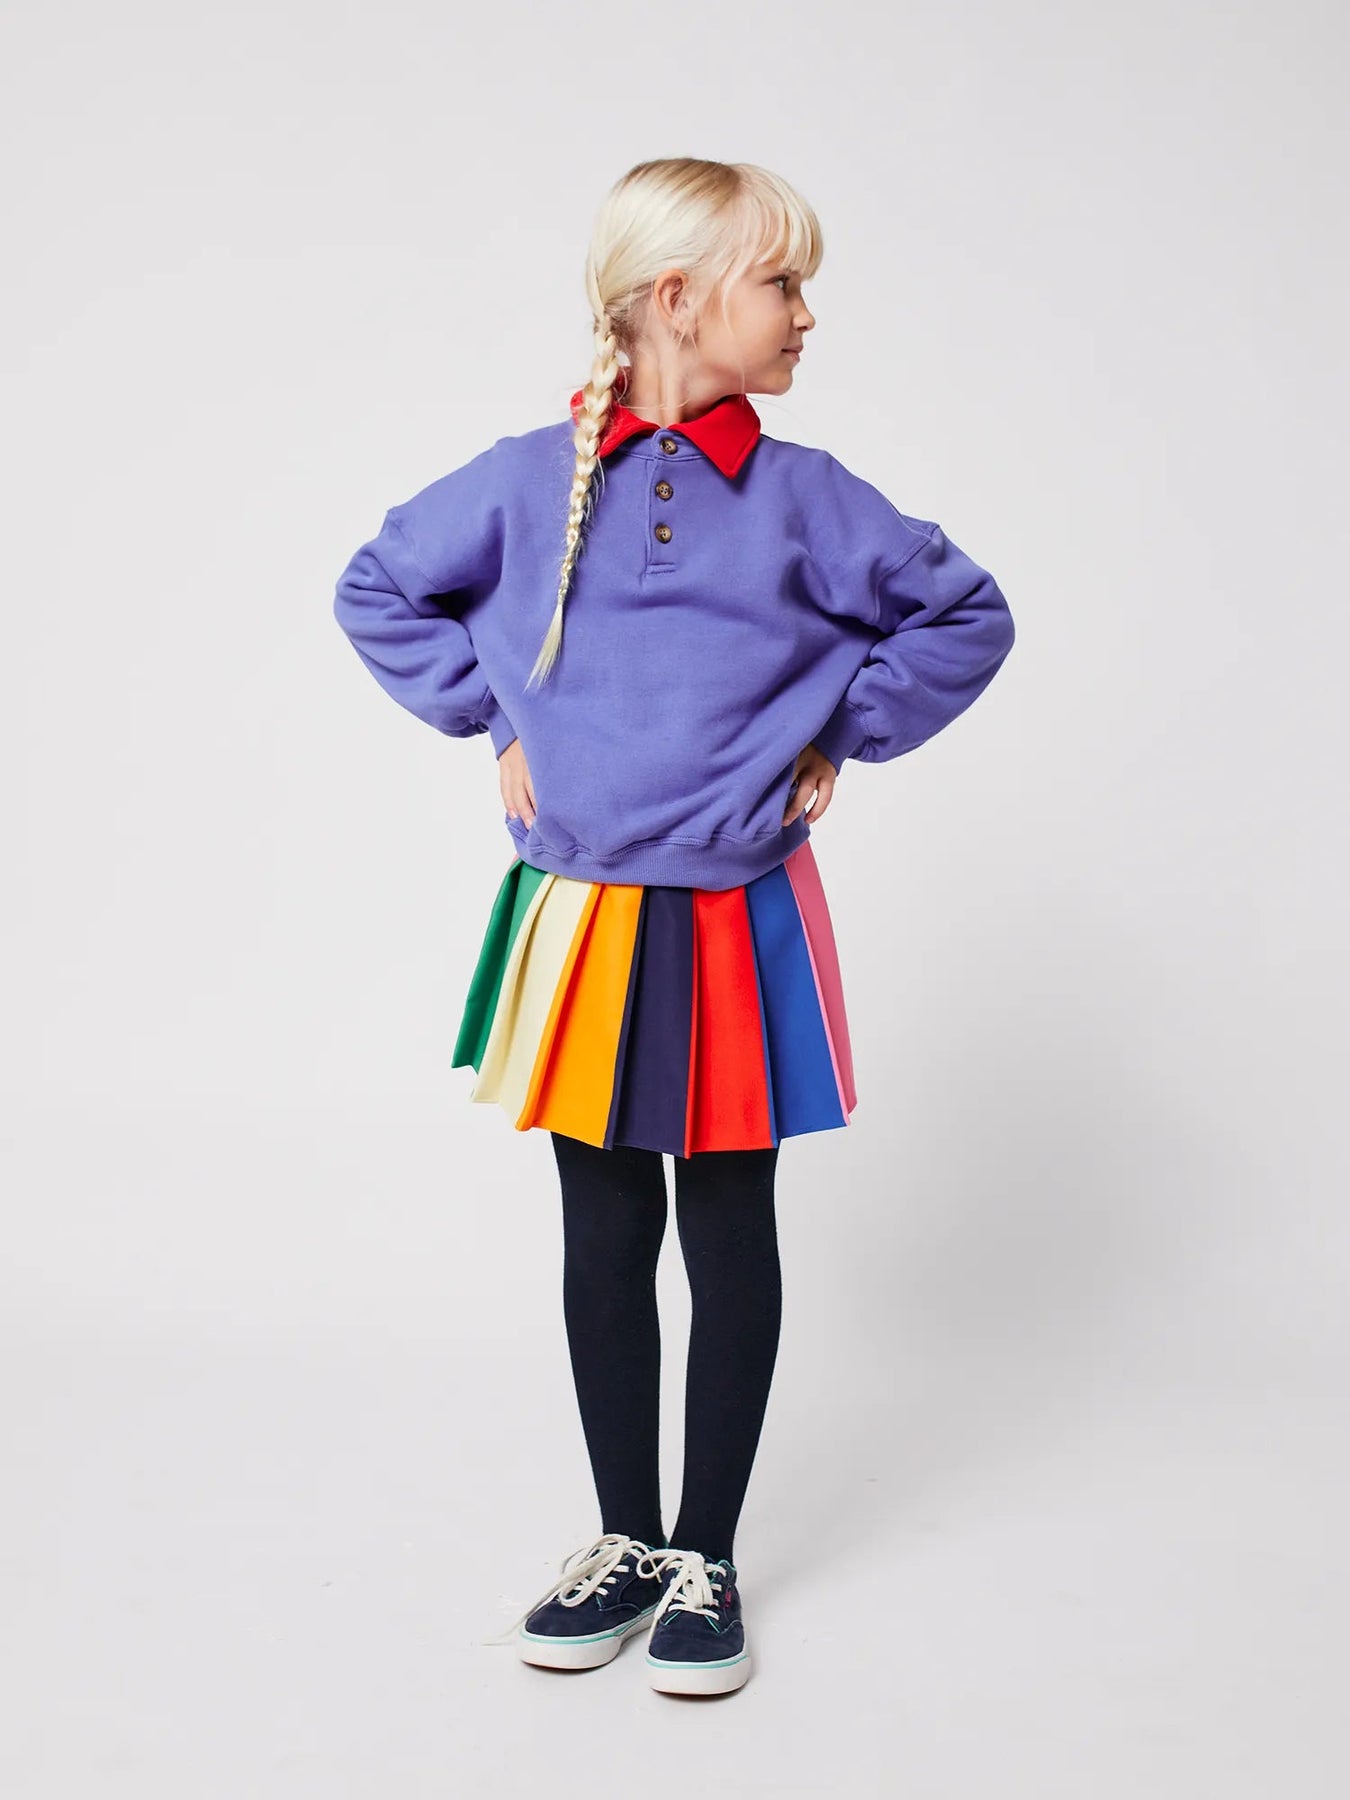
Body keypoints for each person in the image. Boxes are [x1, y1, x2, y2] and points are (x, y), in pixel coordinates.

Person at [331, 157, 1016, 1698]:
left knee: (725, 1224)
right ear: (677, 300)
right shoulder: (524, 482)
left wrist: (842, 726)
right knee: (601, 1230)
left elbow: (964, 612)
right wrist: (488, 717)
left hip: (732, 922)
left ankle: (707, 1554)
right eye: (783, 283)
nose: (806, 314)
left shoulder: (807, 496)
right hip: (580, 920)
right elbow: (378, 584)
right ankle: (623, 1539)